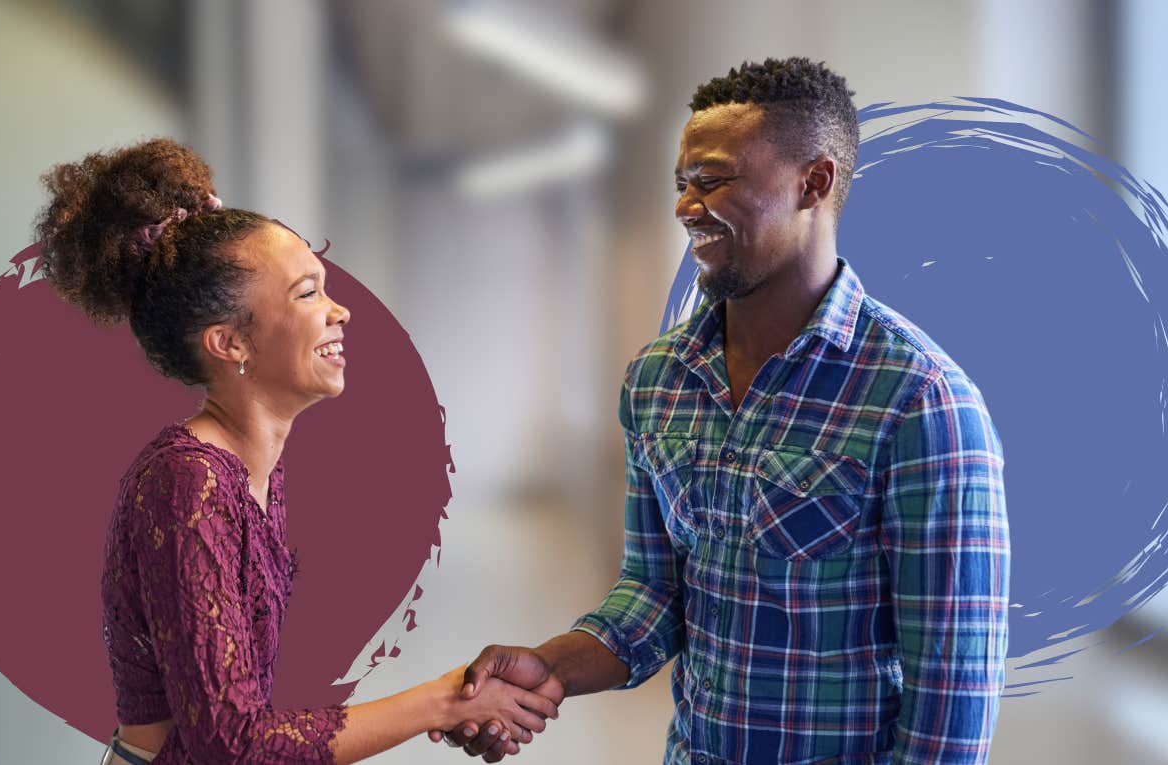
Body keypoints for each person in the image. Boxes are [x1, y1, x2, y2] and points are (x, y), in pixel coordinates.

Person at [433, 58, 1011, 764]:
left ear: (814, 182)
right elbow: (652, 596)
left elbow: (951, 700)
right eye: (682, 184)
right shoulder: (658, 380)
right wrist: (549, 667)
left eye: (713, 180)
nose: (685, 206)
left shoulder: (920, 401)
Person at [35, 138, 558, 764]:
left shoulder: (249, 469)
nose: (339, 311)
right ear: (230, 342)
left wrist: (462, 699)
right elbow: (231, 746)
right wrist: (447, 700)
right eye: (307, 293)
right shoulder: (187, 483)